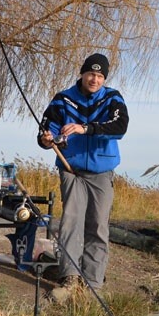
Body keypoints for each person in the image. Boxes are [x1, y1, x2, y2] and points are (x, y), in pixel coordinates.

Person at [38, 53, 128, 299]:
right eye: (91, 74)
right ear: (82, 73)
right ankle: (69, 279)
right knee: (70, 223)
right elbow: (45, 133)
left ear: (104, 78)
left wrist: (85, 128)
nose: (95, 79)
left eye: (100, 76)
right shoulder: (62, 100)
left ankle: (93, 283)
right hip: (71, 170)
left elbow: (120, 128)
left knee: (98, 225)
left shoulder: (113, 98)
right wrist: (47, 140)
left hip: (102, 172)